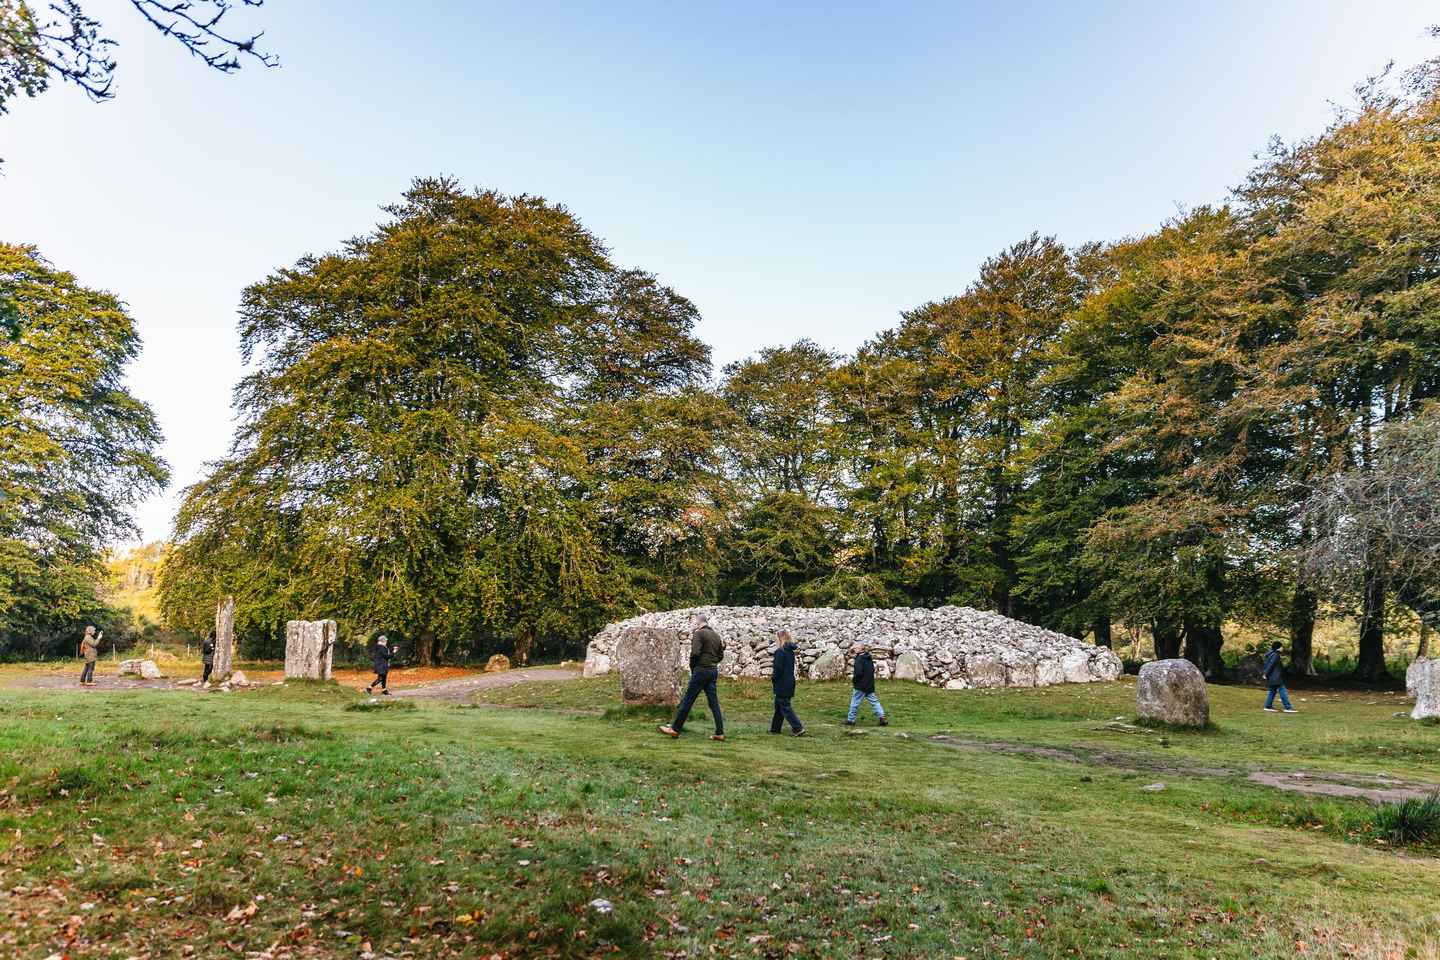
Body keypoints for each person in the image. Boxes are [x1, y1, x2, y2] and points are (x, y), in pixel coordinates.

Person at [659, 613, 726, 741]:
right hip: (713, 670)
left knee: (688, 700)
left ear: (698, 622)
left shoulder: (699, 634)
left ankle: (675, 729)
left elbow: (695, 653)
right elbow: (721, 655)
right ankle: (720, 732)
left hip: (701, 670)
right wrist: (713, 662)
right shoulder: (716, 636)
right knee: (714, 703)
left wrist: (693, 667)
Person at [769, 629, 805, 736]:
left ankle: (798, 727)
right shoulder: (790, 651)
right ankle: (775, 729)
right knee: (779, 706)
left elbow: (778, 669)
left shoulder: (780, 652)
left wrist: (773, 678)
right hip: (789, 681)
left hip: (782, 683)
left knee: (784, 706)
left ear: (780, 638)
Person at [844, 642, 887, 726]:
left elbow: (858, 673)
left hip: (860, 685)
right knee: (874, 702)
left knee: (854, 702)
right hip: (869, 684)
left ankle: (850, 720)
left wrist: (855, 681)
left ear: (860, 649)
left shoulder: (859, 659)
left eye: (856, 647)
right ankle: (882, 718)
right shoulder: (868, 657)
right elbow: (872, 670)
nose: (854, 649)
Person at [1263, 641, 1297, 713]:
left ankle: (1267, 706)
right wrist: (1265, 674)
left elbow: (1268, 664)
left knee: (1272, 691)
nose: (1282, 648)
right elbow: (1271, 665)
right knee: (1282, 691)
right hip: (1276, 677)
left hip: (1272, 677)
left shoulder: (1270, 654)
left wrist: (1266, 674)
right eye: (1281, 647)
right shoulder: (1276, 655)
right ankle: (1288, 708)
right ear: (1278, 647)